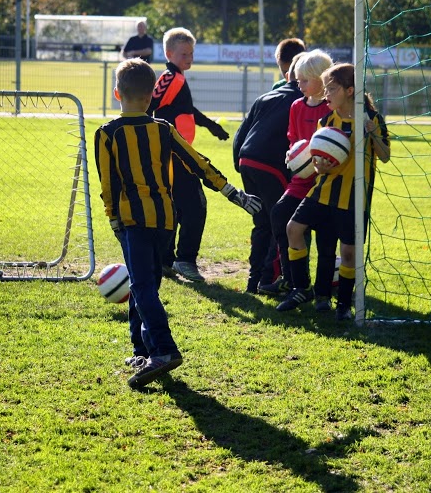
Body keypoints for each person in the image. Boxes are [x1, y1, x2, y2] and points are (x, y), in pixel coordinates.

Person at [94, 58, 261, 388]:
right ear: (150, 97)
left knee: (141, 286)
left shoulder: (107, 134)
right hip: (165, 221)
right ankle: (141, 348)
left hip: (133, 221)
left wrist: (114, 219)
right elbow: (198, 162)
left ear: (117, 93)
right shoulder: (163, 129)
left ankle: (165, 350)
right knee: (147, 284)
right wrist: (230, 191)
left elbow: (107, 184)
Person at [277, 63, 390, 320]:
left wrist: (372, 133)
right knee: (293, 229)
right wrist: (319, 165)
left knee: (348, 253)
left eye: (332, 89)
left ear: (350, 90)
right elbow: (317, 163)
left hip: (354, 197)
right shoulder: (325, 120)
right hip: (323, 191)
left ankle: (343, 306)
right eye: (325, 88)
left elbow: (384, 156)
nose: (325, 94)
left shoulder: (371, 119)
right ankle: (300, 288)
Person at [148, 27, 231, 282]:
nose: (189, 58)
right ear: (169, 53)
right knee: (196, 206)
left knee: (175, 207)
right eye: (184, 53)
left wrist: (211, 126)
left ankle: (165, 260)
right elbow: (150, 104)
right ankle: (184, 260)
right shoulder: (170, 77)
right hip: (174, 154)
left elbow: (187, 109)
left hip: (178, 152)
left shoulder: (178, 78)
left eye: (192, 53)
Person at [266, 50, 336, 311]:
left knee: (326, 236)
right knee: (279, 215)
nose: (299, 85)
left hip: (326, 182)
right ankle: (296, 283)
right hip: (301, 179)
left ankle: (323, 294)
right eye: (297, 80)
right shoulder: (296, 106)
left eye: (305, 81)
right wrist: (293, 154)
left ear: (321, 79)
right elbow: (294, 140)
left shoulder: (332, 108)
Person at [232, 48, 305, 294]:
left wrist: (239, 164)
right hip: (272, 165)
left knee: (262, 222)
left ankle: (254, 282)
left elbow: (240, 135)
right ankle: (270, 280)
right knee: (280, 222)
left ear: (287, 75)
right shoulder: (302, 102)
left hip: (247, 161)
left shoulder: (266, 97)